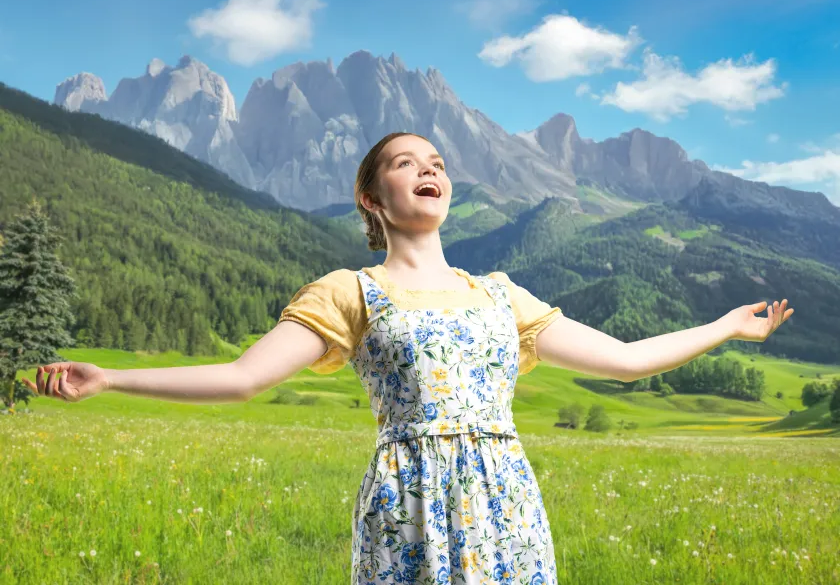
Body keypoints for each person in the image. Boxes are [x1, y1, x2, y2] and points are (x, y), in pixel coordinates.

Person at [24, 132, 793, 583]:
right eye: (404, 162)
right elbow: (240, 377)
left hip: (507, 504)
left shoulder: (501, 295)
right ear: (369, 197)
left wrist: (725, 326)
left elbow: (624, 359)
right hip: (407, 502)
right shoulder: (348, 291)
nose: (429, 168)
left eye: (437, 161)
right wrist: (112, 376)